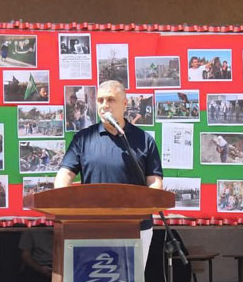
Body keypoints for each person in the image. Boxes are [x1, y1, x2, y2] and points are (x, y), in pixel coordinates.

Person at [54, 80, 163, 268]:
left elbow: (155, 182)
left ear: (125, 104)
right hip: (93, 228)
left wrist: (147, 204)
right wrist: (67, 206)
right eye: (100, 100)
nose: (104, 105)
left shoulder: (144, 140)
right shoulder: (83, 138)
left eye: (111, 99)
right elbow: (64, 176)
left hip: (136, 228)